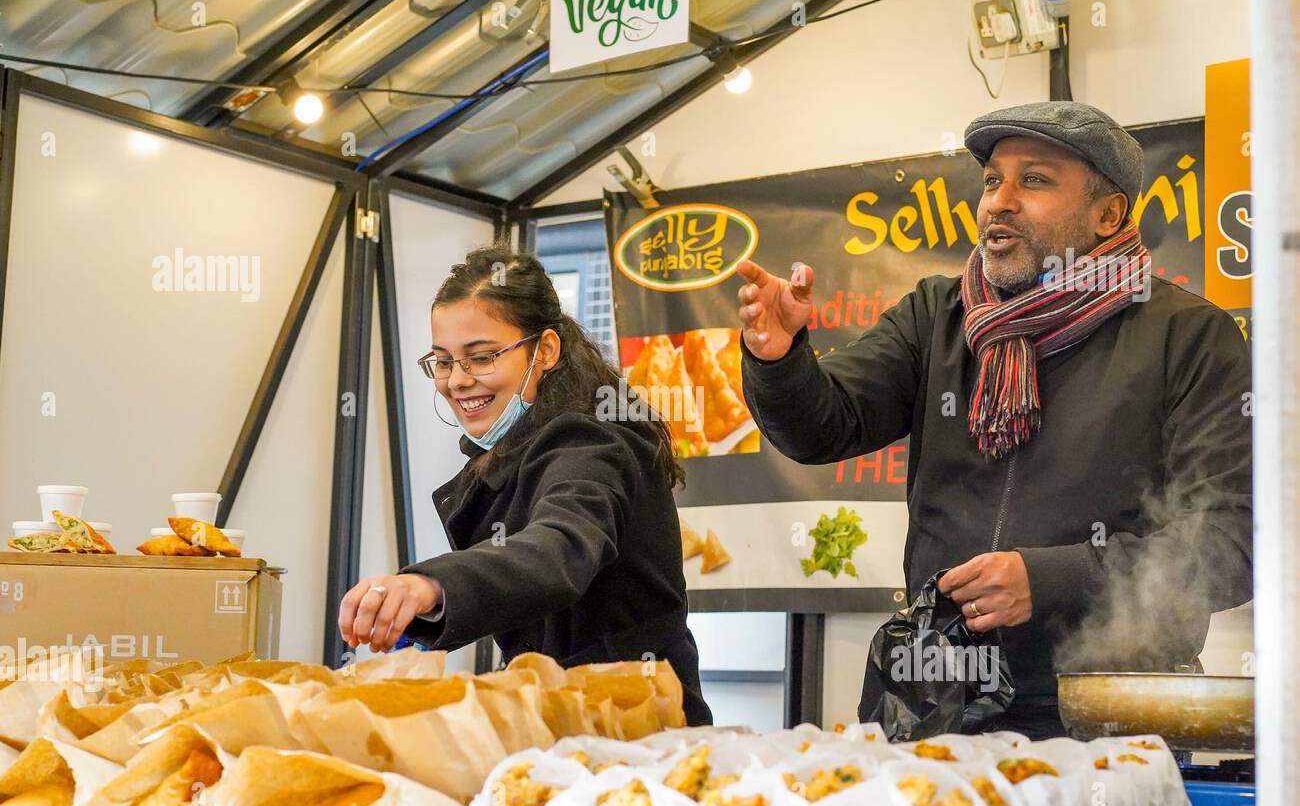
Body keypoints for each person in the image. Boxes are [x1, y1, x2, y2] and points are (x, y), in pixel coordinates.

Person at [736, 101, 1252, 738]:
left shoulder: (1188, 335)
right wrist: (781, 358)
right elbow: (824, 427)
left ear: (1108, 213)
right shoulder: (937, 315)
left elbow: (1232, 543)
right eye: (991, 180)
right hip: (937, 706)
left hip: (1109, 714)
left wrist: (1052, 579)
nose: (998, 201)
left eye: (1032, 180)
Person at [338, 245, 712, 726]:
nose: (458, 381)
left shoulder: (592, 441)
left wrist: (432, 583)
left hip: (640, 726)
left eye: (481, 357)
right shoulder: (515, 446)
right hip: (563, 722)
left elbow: (558, 547)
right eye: (444, 362)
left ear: (547, 350)